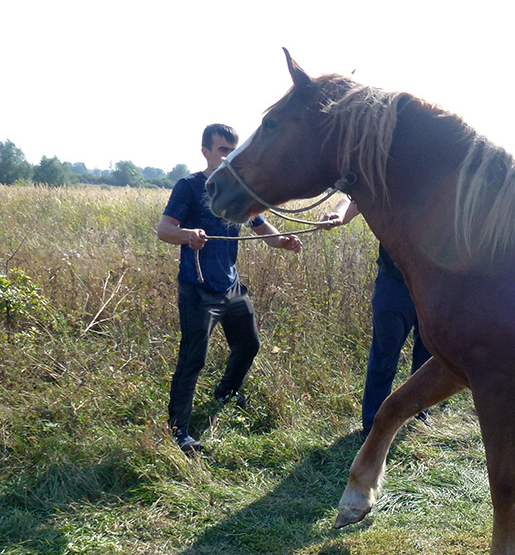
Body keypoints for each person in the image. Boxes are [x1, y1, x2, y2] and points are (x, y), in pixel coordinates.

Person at [157, 123, 302, 454]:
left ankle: (225, 390)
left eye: (233, 150)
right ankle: (178, 429)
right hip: (198, 288)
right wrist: (188, 235)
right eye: (223, 150)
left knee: (249, 344)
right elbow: (164, 229)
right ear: (205, 151)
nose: (229, 156)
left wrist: (283, 241)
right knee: (193, 358)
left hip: (231, 286)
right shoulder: (190, 187)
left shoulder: (236, 189)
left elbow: (261, 225)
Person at [322, 197, 431, 435]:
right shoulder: (387, 178)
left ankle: (420, 412)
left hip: (432, 286)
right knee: (384, 354)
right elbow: (356, 199)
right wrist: (338, 215)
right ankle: (373, 424)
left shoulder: (438, 178)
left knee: (427, 354)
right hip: (393, 286)